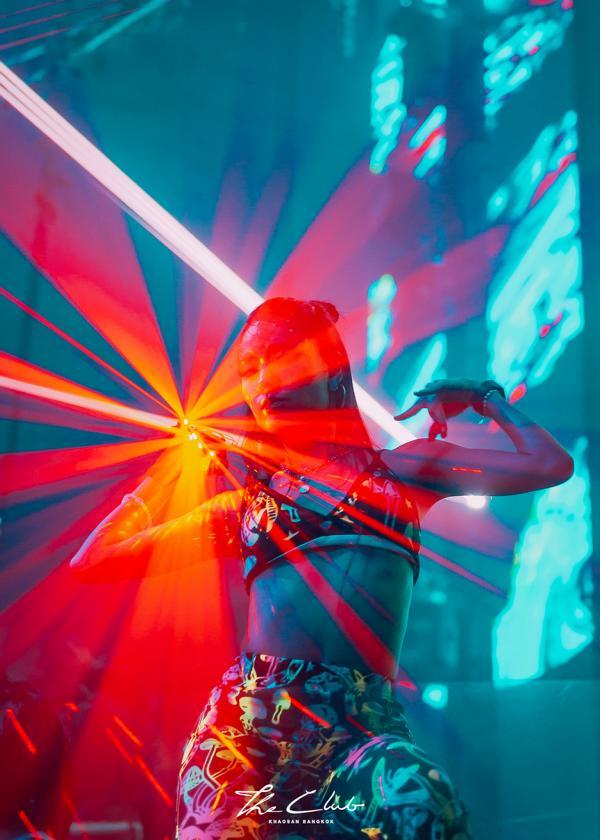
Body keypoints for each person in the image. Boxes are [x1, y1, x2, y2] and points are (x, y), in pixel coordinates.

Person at [70, 297, 574, 839]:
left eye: (283, 357)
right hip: (247, 730)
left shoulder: (402, 473)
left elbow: (549, 465)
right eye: (250, 369)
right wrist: (173, 465)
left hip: (361, 728)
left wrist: (485, 399)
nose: (265, 379)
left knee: (423, 802)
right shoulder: (245, 508)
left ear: (330, 367)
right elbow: (93, 560)